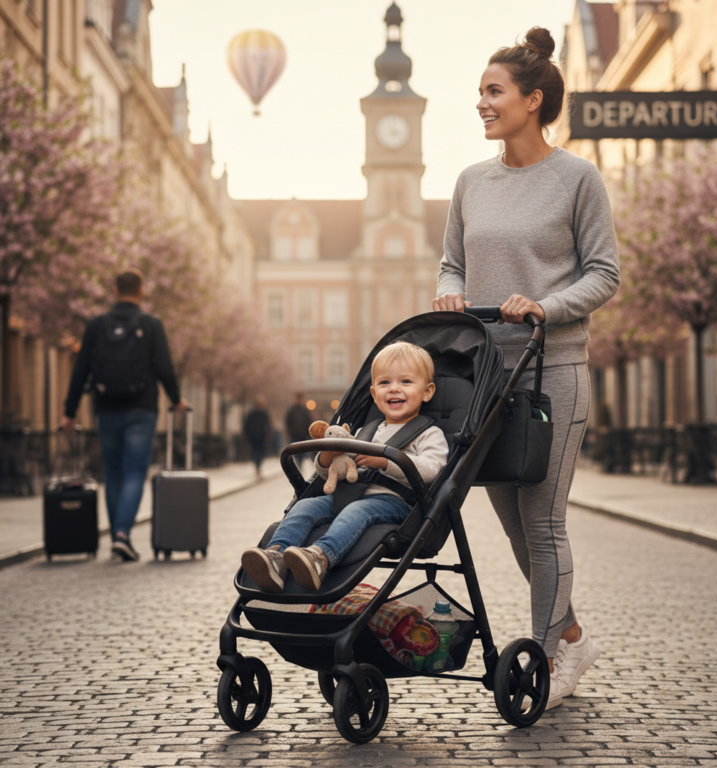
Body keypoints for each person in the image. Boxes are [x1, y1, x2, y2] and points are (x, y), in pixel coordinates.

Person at [432, 28, 620, 710]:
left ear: (532, 100)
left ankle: (545, 660)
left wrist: (545, 305)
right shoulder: (470, 182)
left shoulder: (577, 179)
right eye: (479, 91)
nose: (480, 103)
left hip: (553, 373)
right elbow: (451, 258)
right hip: (483, 377)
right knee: (513, 525)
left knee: (544, 526)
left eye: (494, 91)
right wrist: (449, 290)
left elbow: (605, 273)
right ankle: (570, 633)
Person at [241, 342, 449, 592]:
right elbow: (334, 470)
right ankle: (275, 557)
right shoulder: (366, 430)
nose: (394, 388)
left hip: (395, 502)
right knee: (306, 505)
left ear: (427, 392)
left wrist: (386, 462)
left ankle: (320, 558)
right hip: (347, 494)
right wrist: (328, 456)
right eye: (385, 383)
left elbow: (432, 470)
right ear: (373, 394)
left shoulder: (429, 433)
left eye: (406, 382)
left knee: (359, 511)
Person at [61, 268, 188, 562]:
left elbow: (81, 369)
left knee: (114, 472)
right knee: (134, 471)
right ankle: (121, 534)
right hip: (142, 408)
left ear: (115, 291)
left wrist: (69, 412)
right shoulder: (151, 324)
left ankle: (118, 534)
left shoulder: (96, 325)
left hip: (106, 408)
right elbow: (165, 367)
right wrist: (176, 399)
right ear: (141, 291)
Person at [243, 396, 272, 477]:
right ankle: (258, 466)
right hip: (257, 436)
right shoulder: (259, 413)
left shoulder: (257, 413)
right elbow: (247, 424)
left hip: (258, 436)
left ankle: (258, 466)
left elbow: (268, 425)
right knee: (258, 451)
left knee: (257, 451)